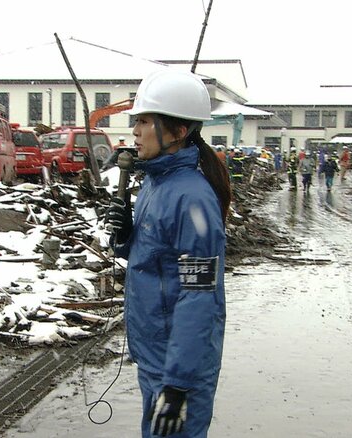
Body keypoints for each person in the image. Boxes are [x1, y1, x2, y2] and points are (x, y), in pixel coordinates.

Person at [104, 69, 230, 438]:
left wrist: (178, 384)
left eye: (145, 121)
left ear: (178, 131)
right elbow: (155, 261)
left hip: (180, 366)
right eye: (136, 122)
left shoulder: (193, 199)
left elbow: (199, 296)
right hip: (157, 356)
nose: (136, 132)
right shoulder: (157, 185)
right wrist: (126, 237)